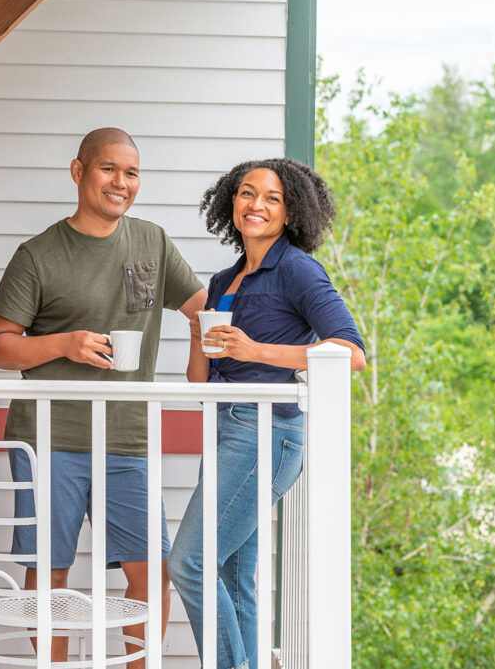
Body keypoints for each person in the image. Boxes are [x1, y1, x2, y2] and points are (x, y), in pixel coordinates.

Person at [0, 127, 208, 667]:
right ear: (79, 172)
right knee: (49, 573)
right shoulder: (37, 255)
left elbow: (204, 309)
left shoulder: (151, 242)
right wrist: (66, 344)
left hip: (127, 438)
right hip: (48, 439)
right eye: (108, 169)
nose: (120, 183)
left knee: (151, 570)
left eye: (131, 173)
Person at [168, 158, 366, 669]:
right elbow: (200, 381)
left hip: (266, 433)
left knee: (189, 563)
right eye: (247, 193)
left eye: (272, 198)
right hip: (225, 426)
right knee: (234, 577)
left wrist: (256, 351)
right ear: (230, 203)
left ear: (291, 211)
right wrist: (198, 338)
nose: (256, 205)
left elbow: (351, 353)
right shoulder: (224, 279)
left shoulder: (297, 270)